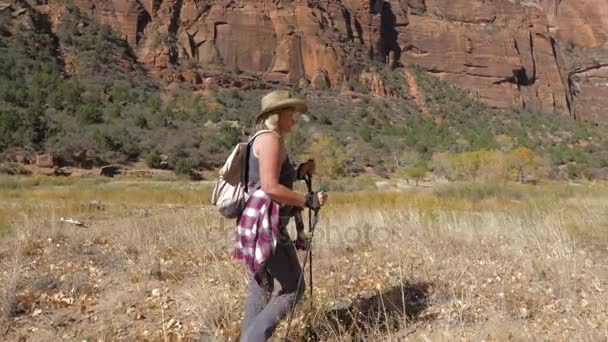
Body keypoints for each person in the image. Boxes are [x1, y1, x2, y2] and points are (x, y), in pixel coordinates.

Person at [234, 90, 328, 341]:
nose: (294, 118)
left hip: (255, 223)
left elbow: (270, 179)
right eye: (291, 113)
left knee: (262, 286)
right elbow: (270, 187)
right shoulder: (271, 140)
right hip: (266, 226)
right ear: (277, 114)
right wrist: (308, 200)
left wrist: (298, 172)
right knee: (294, 289)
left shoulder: (262, 138)